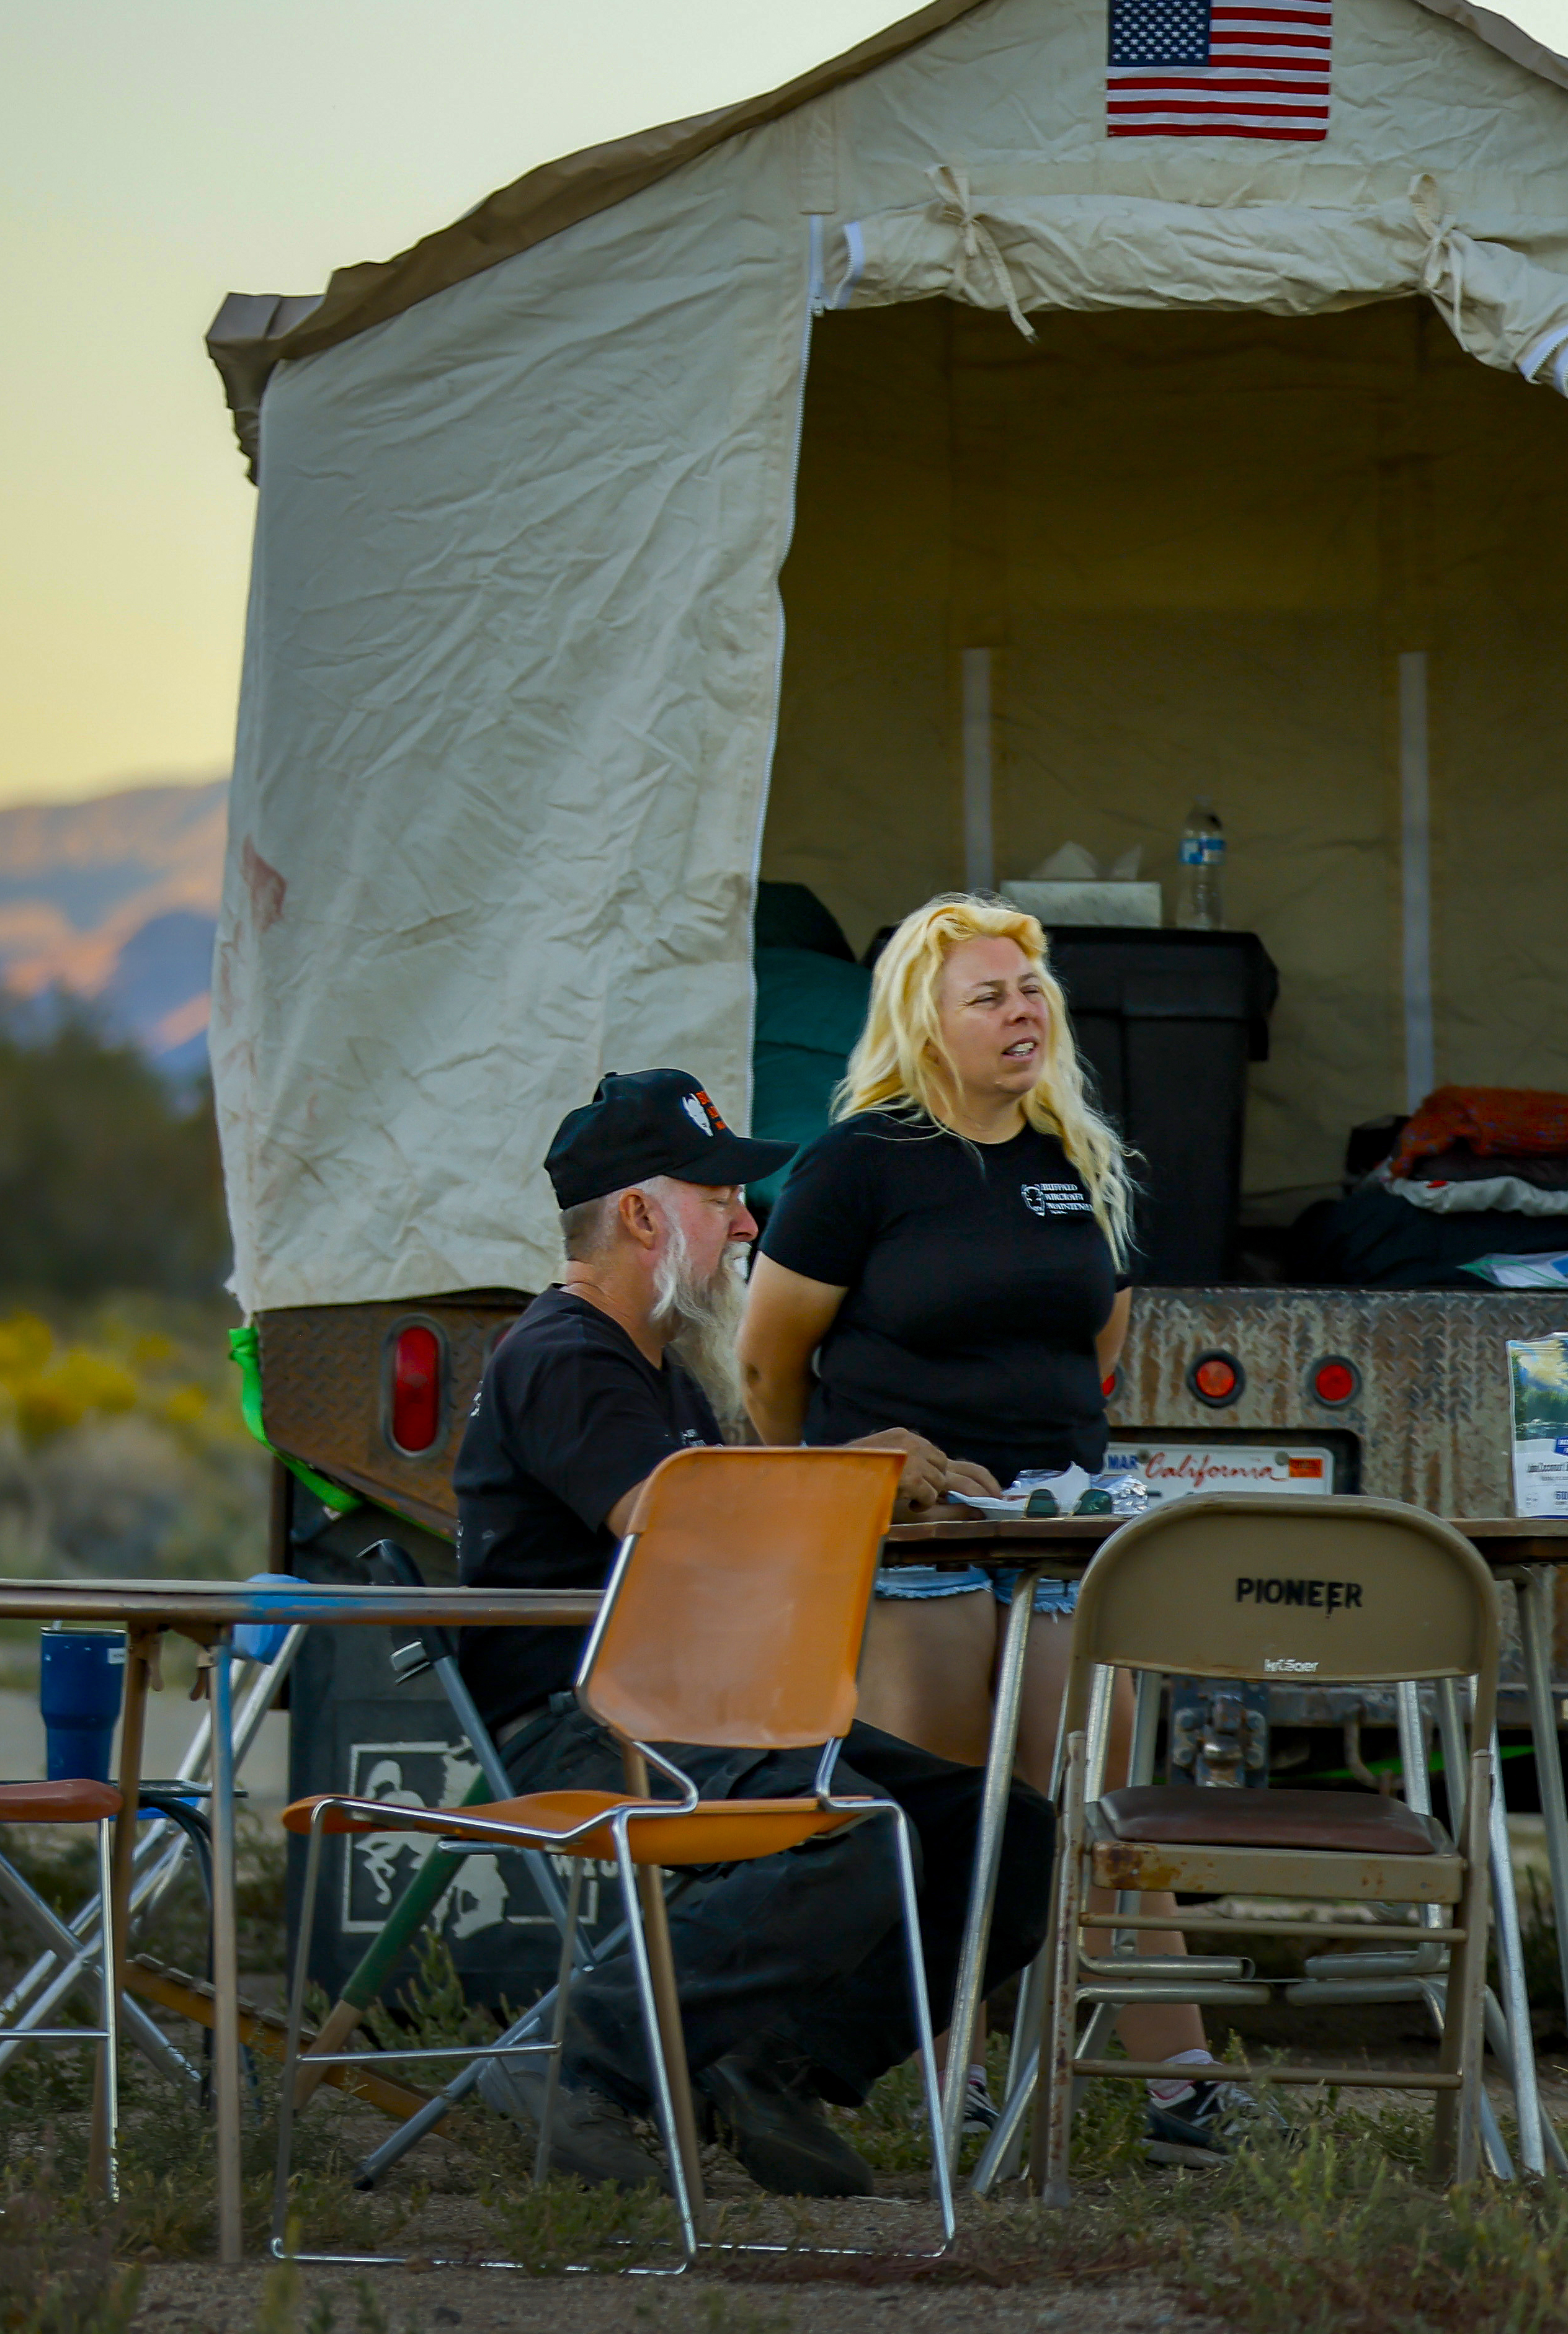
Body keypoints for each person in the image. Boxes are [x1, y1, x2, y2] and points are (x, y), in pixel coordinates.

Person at [451, 1067, 1046, 2196]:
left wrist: (900, 1492)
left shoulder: (655, 1366)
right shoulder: (562, 1354)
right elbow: (670, 1518)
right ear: (637, 1215)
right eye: (718, 1192)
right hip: (581, 1718)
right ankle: (578, 2060)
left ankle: (769, 2063)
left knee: (1001, 1829)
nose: (746, 1219)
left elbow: (730, 1520)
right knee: (848, 1830)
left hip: (699, 1707)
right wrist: (852, 1471)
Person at [732, 896, 1250, 2164]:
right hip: (917, 1556)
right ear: (927, 1019)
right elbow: (764, 1359)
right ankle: (938, 2077)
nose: (1024, 1012)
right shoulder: (858, 1164)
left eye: (1032, 991)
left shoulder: (1074, 1158)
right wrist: (837, 1483)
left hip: (1061, 1541)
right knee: (949, 1830)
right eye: (990, 995)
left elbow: (1100, 1341)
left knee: (1096, 1820)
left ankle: (1182, 2087)